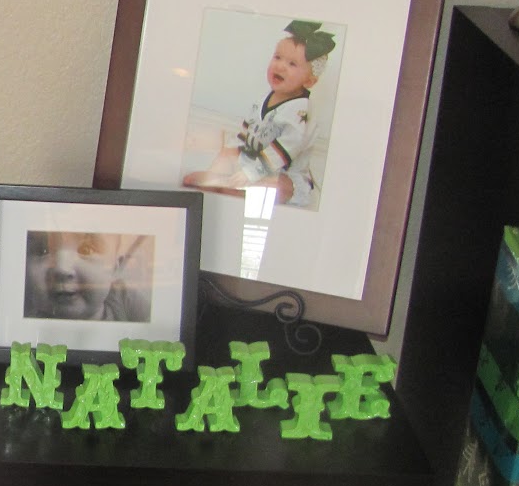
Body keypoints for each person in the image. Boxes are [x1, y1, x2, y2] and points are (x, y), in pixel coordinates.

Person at [181, 19, 336, 207]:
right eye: (277, 57)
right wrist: (228, 156)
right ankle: (216, 178)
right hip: (253, 161)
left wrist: (251, 173)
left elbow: (282, 153)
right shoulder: (265, 98)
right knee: (229, 150)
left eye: (292, 64)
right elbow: (247, 132)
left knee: (279, 186)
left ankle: (236, 188)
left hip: (283, 171)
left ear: (309, 81)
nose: (280, 66)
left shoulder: (301, 113)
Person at [22, 231, 152, 323]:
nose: (62, 268)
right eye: (43, 250)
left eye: (86, 249)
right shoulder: (22, 325)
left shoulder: (125, 299)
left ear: (115, 268)